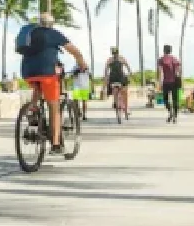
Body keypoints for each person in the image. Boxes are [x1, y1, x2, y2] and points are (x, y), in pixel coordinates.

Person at [17, 12, 88, 154]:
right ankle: (56, 144)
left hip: (27, 73)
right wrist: (82, 64)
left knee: (37, 87)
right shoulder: (53, 34)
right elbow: (75, 52)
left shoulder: (30, 33)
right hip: (47, 74)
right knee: (53, 106)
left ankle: (33, 110)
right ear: (51, 24)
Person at [103, 47, 132, 119]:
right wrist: (130, 74)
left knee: (116, 91)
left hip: (113, 78)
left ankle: (116, 102)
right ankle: (125, 108)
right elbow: (128, 67)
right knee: (124, 92)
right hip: (120, 77)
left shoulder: (109, 60)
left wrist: (106, 79)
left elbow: (106, 71)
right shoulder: (121, 58)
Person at [157, 44, 182, 123]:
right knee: (175, 100)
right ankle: (175, 116)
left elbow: (160, 72)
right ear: (170, 50)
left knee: (165, 100)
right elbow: (179, 71)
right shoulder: (174, 59)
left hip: (166, 82)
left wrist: (160, 82)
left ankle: (170, 112)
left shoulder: (161, 59)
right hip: (174, 82)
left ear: (164, 50)